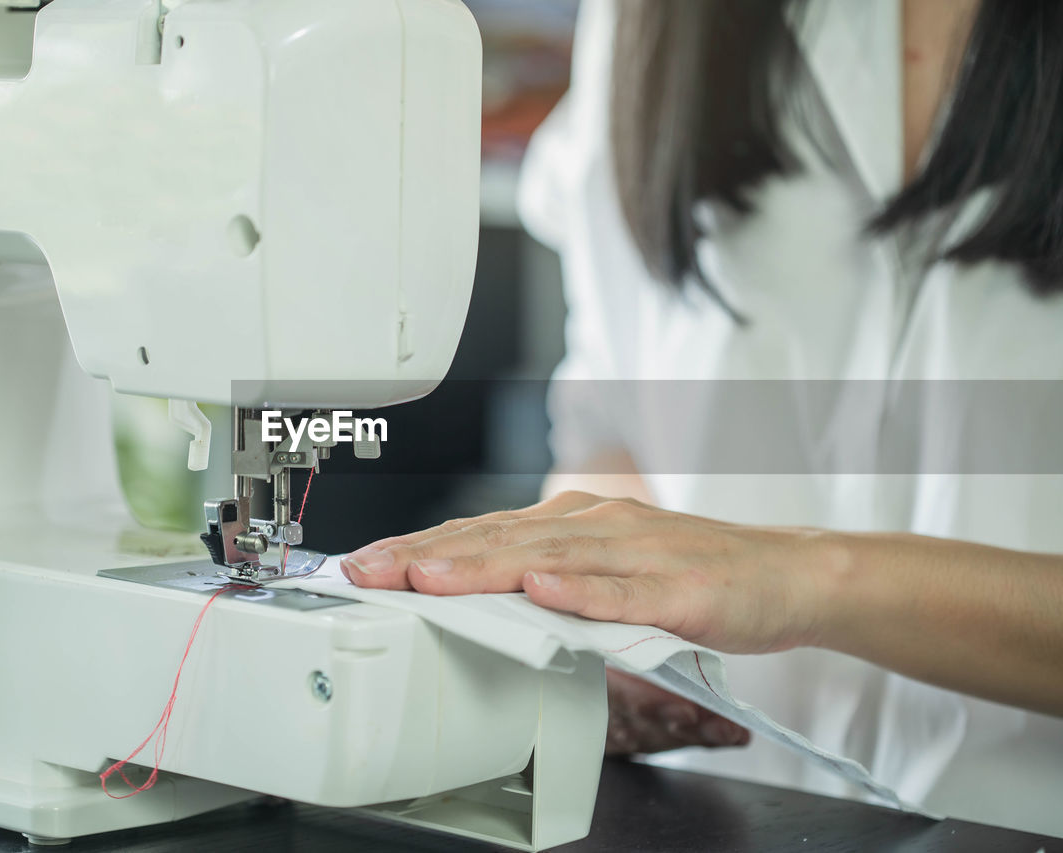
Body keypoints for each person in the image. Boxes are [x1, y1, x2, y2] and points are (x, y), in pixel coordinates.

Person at [343, 0, 1063, 837]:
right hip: (721, 813)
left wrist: (806, 578)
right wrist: (600, 618)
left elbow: (773, 566)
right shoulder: (656, 21)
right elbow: (619, 423)